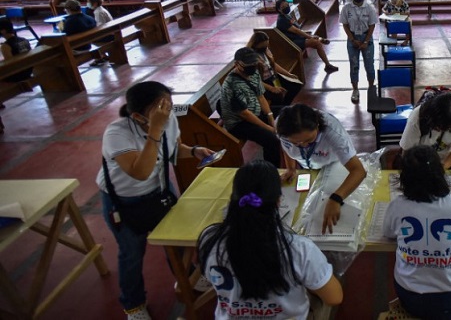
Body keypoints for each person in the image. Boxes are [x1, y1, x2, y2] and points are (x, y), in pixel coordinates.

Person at [96, 81, 214, 320]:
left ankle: (186, 277)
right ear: (137, 115)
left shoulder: (168, 120)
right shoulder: (117, 133)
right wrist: (156, 130)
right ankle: (134, 305)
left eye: (168, 105)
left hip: (159, 191)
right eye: (160, 107)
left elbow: (172, 149)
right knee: (132, 253)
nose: (167, 111)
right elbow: (141, 172)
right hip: (124, 201)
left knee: (177, 240)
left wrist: (193, 151)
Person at [198, 160, 343, 320]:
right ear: (278, 201)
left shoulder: (209, 239)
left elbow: (209, 275)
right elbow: (334, 298)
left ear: (233, 198)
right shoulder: (299, 248)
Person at [382, 145, 451, 320]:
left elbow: (388, 233)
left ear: (404, 179)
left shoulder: (397, 205)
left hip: (410, 296)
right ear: (441, 173)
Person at [276, 104, 367, 234]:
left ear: (317, 126)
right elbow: (286, 147)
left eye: (309, 140)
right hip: (309, 167)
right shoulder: (282, 127)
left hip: (333, 165)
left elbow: (358, 171)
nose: (304, 146)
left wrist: (336, 198)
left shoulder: (333, 132)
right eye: (296, 143)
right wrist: (291, 168)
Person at [220, 48, 283, 166]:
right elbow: (244, 113)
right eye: (248, 65)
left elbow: (261, 97)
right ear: (237, 64)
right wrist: (269, 128)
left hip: (256, 112)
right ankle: (271, 169)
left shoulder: (254, 73)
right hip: (239, 123)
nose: (252, 67)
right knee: (271, 140)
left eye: (254, 63)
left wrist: (270, 117)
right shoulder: (232, 85)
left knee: (286, 112)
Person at [399, 92, 451, 169]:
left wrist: (442, 168)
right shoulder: (417, 118)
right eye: (437, 127)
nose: (439, 131)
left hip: (445, 162)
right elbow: (407, 154)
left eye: (447, 128)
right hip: (419, 164)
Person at [246, 31, 303, 115]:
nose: (265, 48)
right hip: (262, 83)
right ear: (255, 44)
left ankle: (284, 107)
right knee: (277, 96)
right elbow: (253, 79)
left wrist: (288, 74)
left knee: (296, 85)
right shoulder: (250, 58)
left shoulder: (265, 50)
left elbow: (273, 64)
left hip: (273, 77)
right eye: (263, 46)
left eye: (266, 45)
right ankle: (278, 112)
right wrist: (271, 88)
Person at [274, 0, 338, 73]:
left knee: (315, 40)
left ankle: (327, 64)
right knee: (316, 42)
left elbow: (297, 28)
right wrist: (309, 36)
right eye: (283, 7)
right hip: (292, 43)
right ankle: (327, 63)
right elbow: (296, 30)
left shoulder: (287, 16)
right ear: (278, 9)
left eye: (287, 5)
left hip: (296, 38)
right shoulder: (281, 20)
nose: (286, 7)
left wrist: (308, 34)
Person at [340, 0, 377, 104]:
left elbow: (372, 25)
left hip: (367, 38)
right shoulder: (346, 8)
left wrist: (366, 41)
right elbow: (345, 25)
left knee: (369, 64)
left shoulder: (369, 8)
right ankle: (355, 90)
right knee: (354, 65)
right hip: (353, 38)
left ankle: (371, 88)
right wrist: (352, 39)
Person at [0, 17, 32, 82]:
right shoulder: (24, 40)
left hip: (18, 74)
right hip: (29, 70)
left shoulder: (6, 46)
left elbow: (9, 64)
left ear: (3, 31)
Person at [88, 0, 114, 66]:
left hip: (108, 34)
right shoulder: (101, 9)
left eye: (89, 2)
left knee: (89, 40)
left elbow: (100, 26)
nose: (88, 4)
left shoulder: (98, 12)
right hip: (110, 31)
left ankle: (99, 58)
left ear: (95, 3)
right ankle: (103, 55)